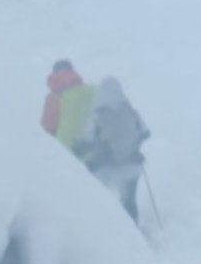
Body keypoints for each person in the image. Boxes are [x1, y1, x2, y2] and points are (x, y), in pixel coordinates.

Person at [40, 62, 149, 221]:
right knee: (128, 199)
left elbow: (48, 131)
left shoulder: (55, 98)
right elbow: (144, 132)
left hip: (92, 159)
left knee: (98, 199)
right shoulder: (96, 92)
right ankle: (134, 232)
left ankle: (105, 232)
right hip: (128, 159)